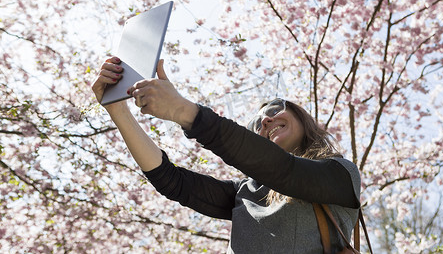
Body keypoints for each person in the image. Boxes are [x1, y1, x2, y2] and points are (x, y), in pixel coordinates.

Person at [91, 56, 361, 253]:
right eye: (257, 125)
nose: (266, 121)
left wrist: (182, 112)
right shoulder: (244, 193)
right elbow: (172, 181)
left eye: (276, 109)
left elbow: (284, 171)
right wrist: (118, 111)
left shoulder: (339, 174)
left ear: (302, 118)